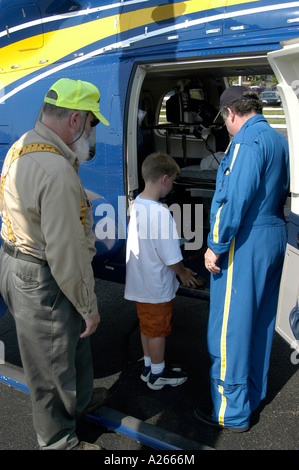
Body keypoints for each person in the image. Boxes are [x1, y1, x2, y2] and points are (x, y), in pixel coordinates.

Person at [0, 78, 110, 450]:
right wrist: (88, 306)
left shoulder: (22, 147)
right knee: (49, 366)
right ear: (76, 120)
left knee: (70, 346)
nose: (92, 134)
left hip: (19, 261)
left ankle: (78, 402)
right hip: (42, 274)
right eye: (93, 124)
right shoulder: (58, 170)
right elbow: (68, 253)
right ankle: (59, 441)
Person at [194, 86, 289, 431]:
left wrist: (214, 245)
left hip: (246, 240)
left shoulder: (245, 143)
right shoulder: (278, 139)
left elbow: (232, 200)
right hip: (274, 233)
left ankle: (231, 412)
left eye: (224, 121)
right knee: (259, 322)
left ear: (231, 113)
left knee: (229, 329)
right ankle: (252, 394)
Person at [124, 152, 199, 390]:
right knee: (157, 330)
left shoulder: (136, 205)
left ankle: (149, 366)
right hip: (156, 286)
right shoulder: (160, 213)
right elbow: (170, 256)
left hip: (139, 282)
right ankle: (158, 375)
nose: (172, 186)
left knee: (147, 326)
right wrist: (184, 273)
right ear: (165, 179)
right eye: (174, 180)